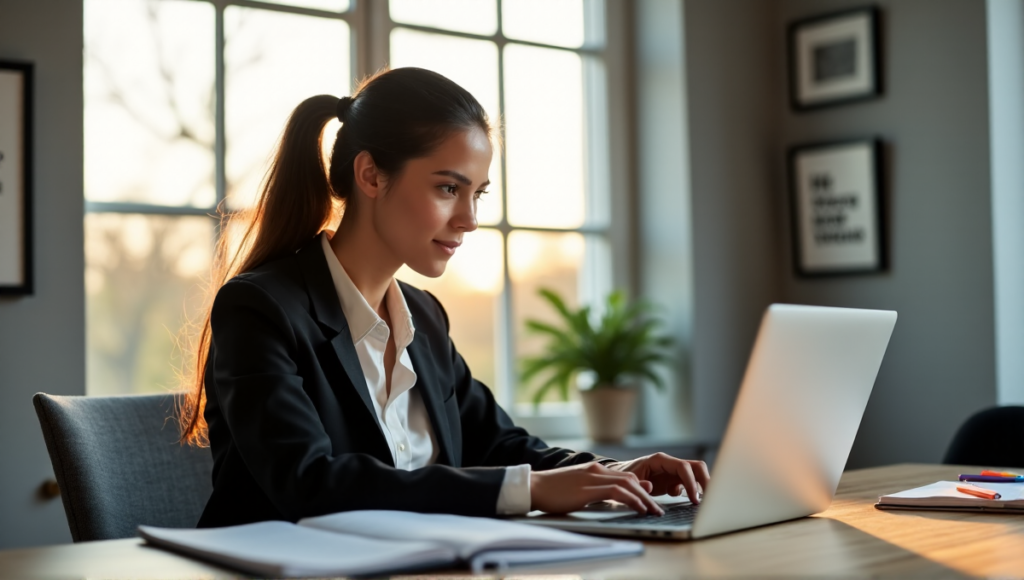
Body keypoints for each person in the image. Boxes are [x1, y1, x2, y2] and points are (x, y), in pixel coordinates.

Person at [178, 67, 709, 528]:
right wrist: (526, 491)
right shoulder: (260, 308)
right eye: (447, 188)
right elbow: (309, 483)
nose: (470, 220)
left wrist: (614, 473)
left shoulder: (424, 317)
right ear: (370, 175)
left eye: (476, 193)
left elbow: (501, 444)